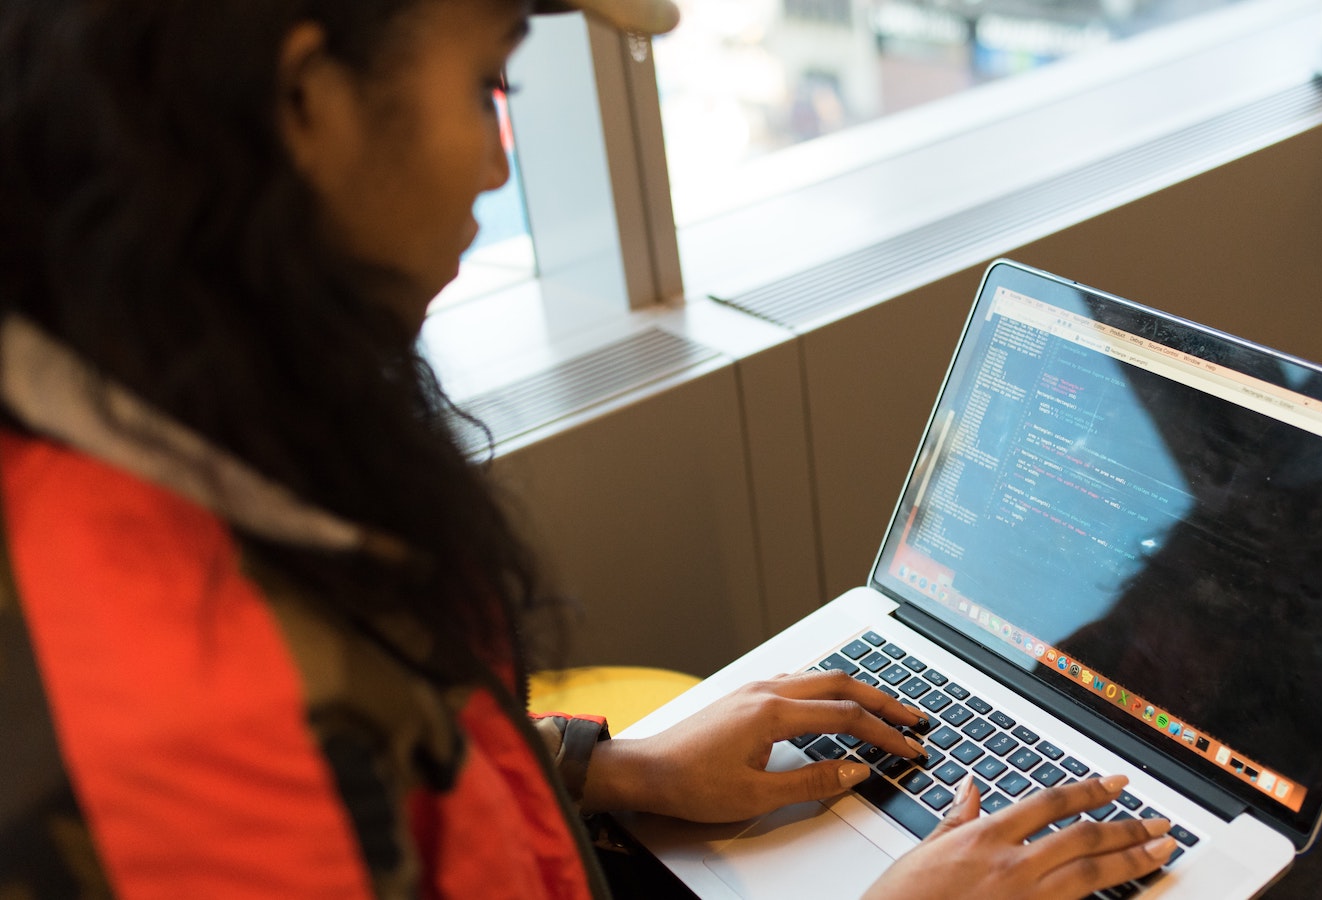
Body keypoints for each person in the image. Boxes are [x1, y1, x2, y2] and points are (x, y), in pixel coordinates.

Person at [0, 0, 1176, 896]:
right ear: (308, 102)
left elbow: (411, 757)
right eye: (486, 83)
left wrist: (601, 773)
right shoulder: (203, 735)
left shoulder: (183, 413)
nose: (495, 165)